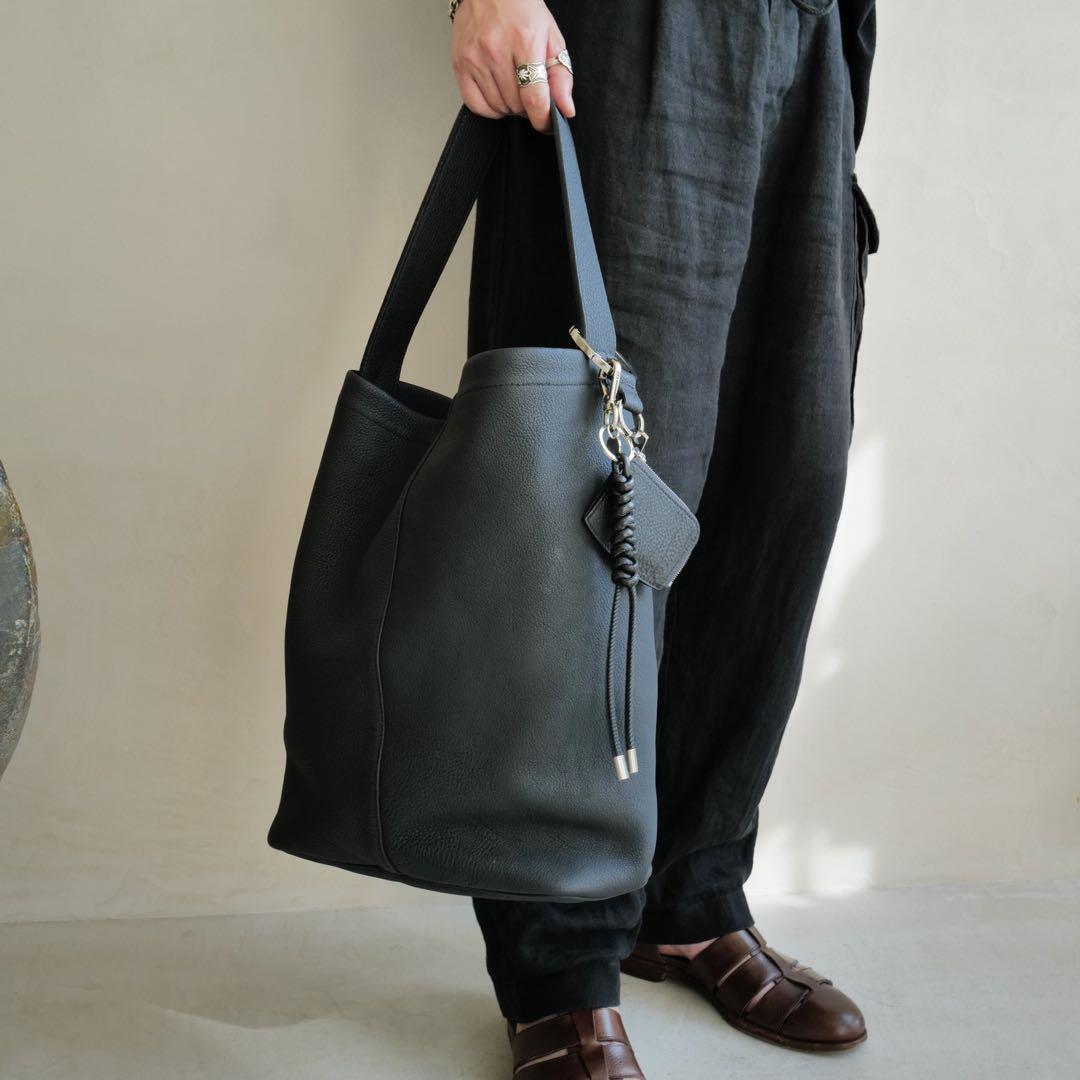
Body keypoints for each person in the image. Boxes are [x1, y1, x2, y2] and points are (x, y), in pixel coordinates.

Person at [450, 1, 879, 1075]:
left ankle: (689, 896)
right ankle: (558, 967)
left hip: (812, 38)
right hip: (637, 34)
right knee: (597, 500)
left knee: (781, 478)